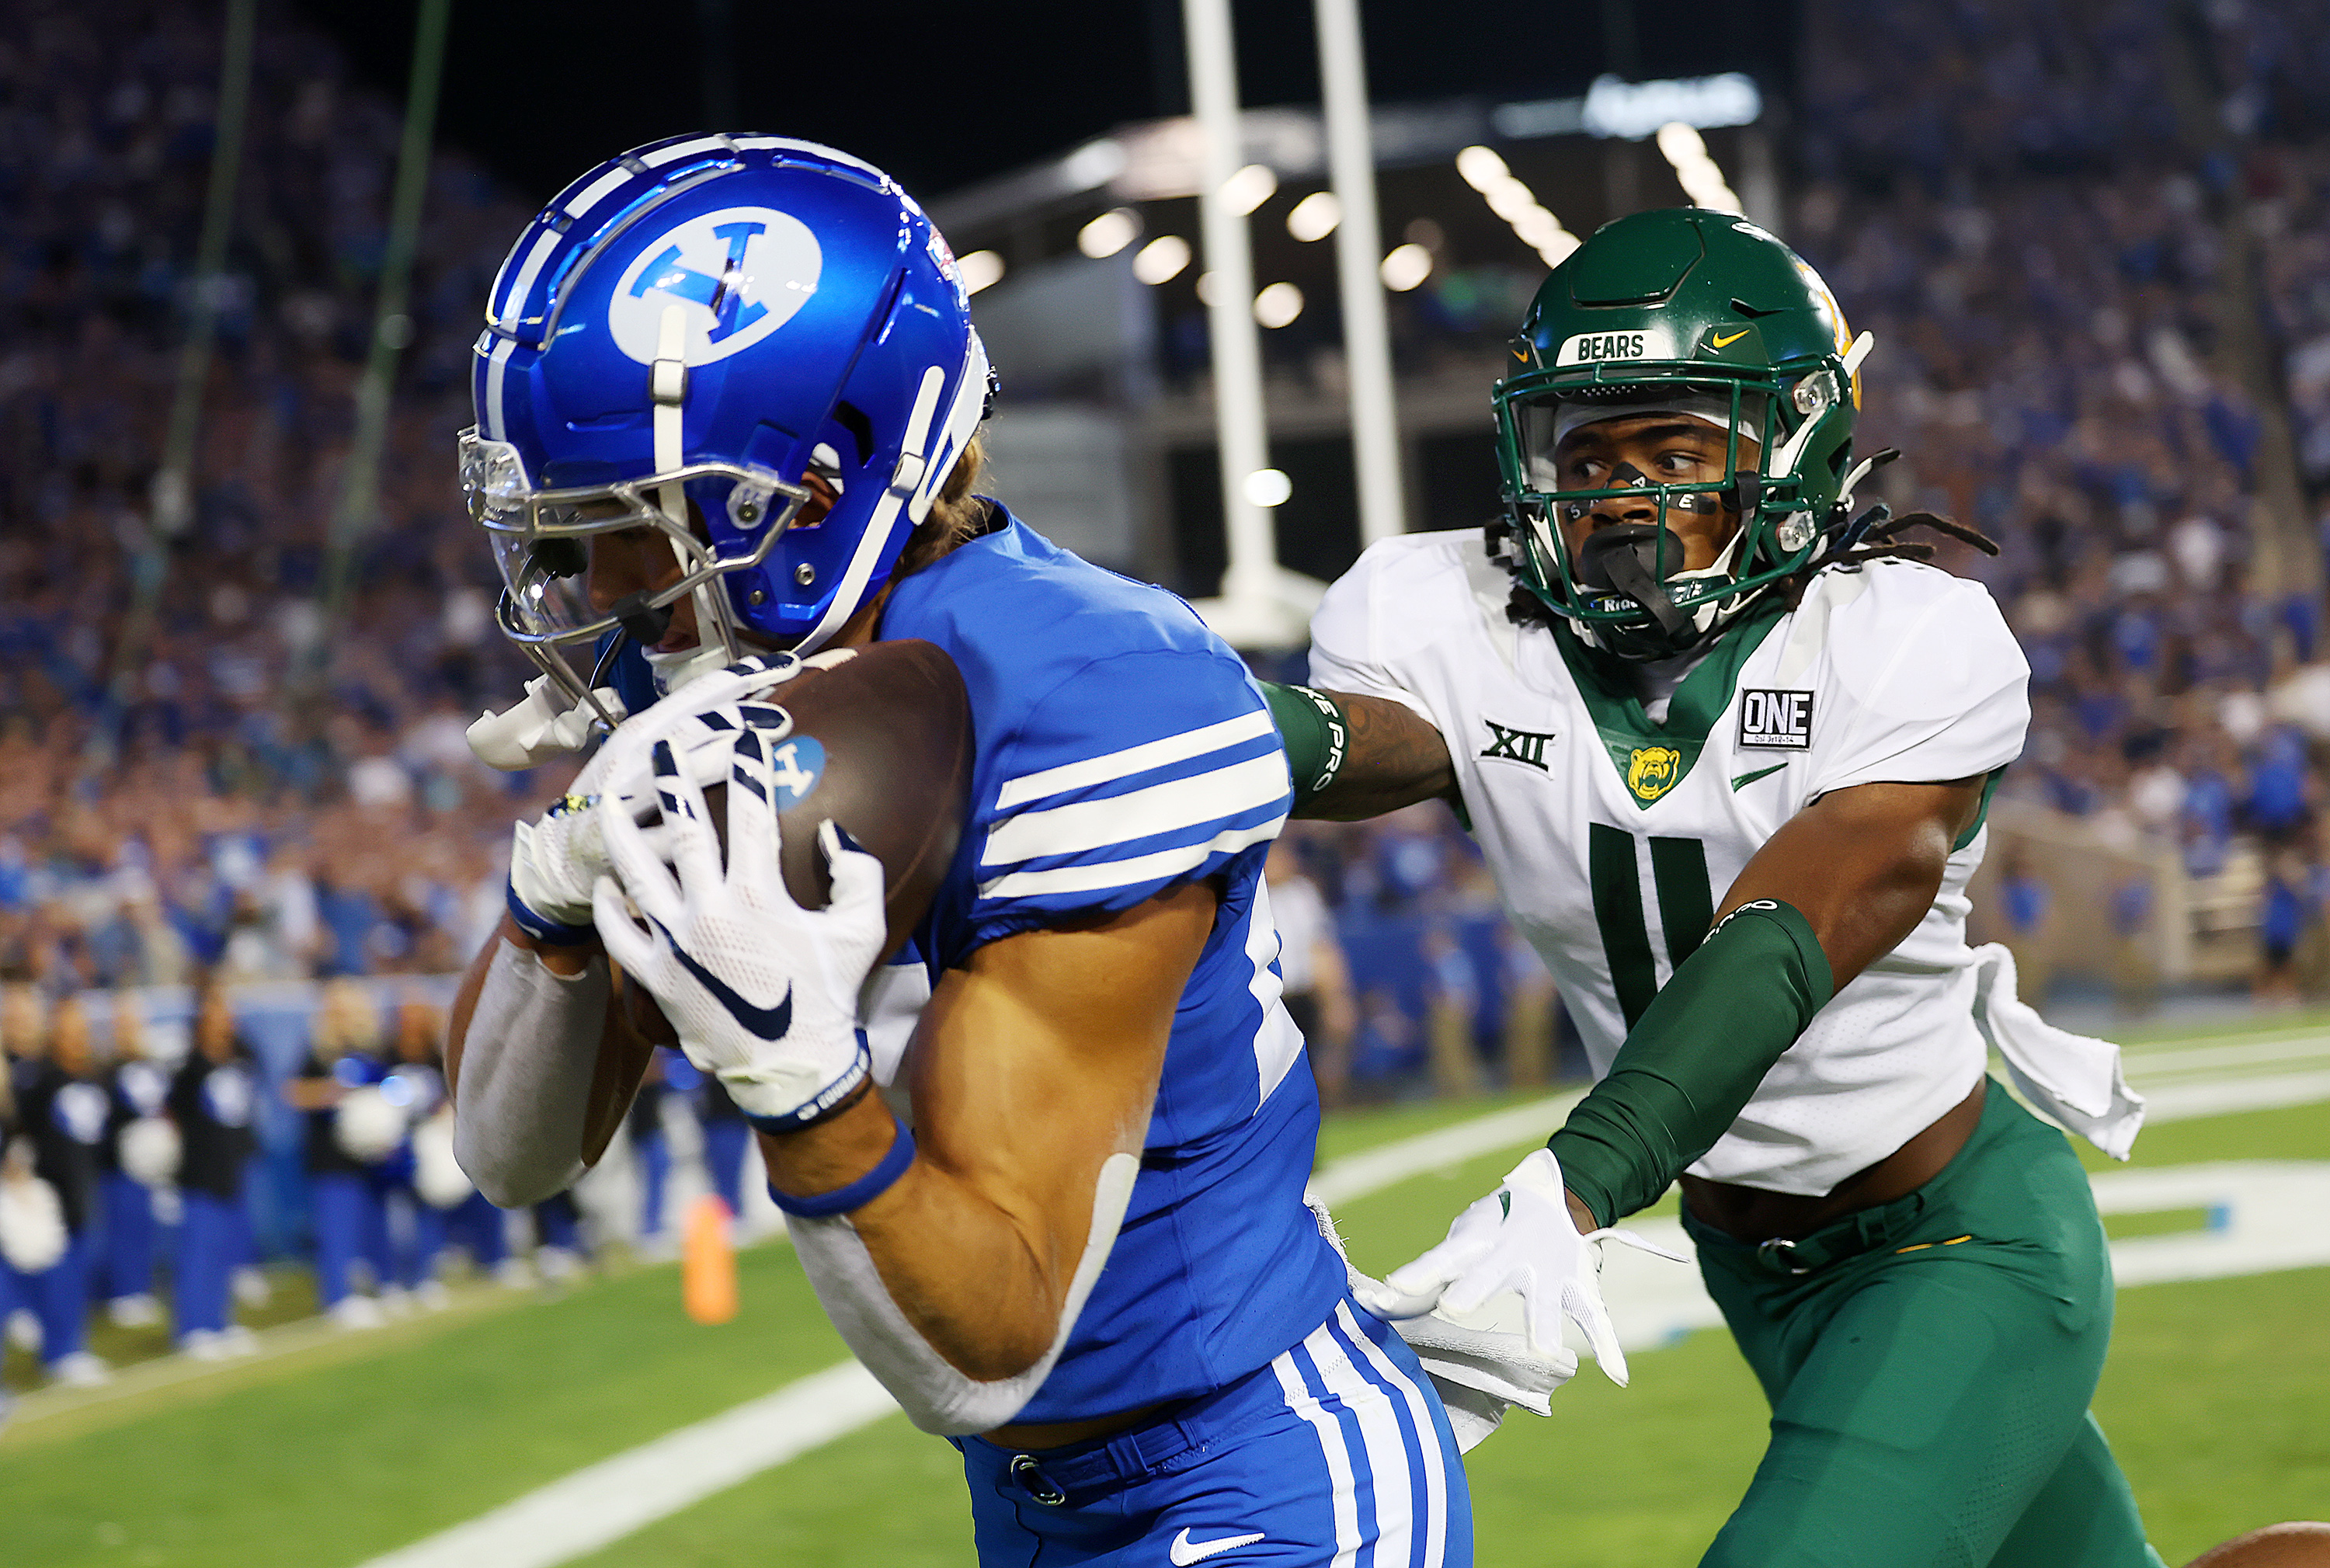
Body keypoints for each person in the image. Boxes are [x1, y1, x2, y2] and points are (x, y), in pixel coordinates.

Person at [447, 134, 1471, 1565]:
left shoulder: (1091, 689)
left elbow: (985, 1345)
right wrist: (552, 897)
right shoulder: (714, 660)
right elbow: (513, 1152)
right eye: (575, 534)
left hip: (1250, 1468)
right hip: (1026, 1509)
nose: (604, 591)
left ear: (809, 494)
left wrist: (797, 1075)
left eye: (635, 528)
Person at [1265, 208, 2162, 1566]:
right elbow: (1359, 747)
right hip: (1755, 1264)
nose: (1619, 495)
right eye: (1588, 450)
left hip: (1959, 1233)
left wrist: (1575, 1182)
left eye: (1674, 448)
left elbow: (1775, 945)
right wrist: (1124, 715)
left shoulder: (1909, 637)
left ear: (1791, 450)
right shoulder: (1436, 612)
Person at [7, 994, 112, 1385]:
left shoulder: (88, 1075)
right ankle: (60, 1352)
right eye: (70, 1028)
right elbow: (22, 1134)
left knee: (78, 1269)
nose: (78, 1036)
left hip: (83, 1183)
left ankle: (72, 1346)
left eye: (83, 1028)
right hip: (53, 1189)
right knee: (58, 1273)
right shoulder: (43, 1077)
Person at [169, 984, 261, 1357]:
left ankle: (219, 1323)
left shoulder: (240, 1057)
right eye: (216, 1012)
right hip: (199, 1172)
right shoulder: (191, 1068)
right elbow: (173, 1113)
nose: (225, 1019)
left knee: (224, 1251)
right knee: (198, 1251)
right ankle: (193, 1328)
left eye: (228, 1011)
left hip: (233, 1170)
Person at [98, 993, 172, 1327]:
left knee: (145, 1226)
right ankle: (124, 1294)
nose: (129, 1028)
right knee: (123, 1228)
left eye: (134, 1022)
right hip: (118, 1163)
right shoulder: (106, 1068)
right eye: (123, 1023)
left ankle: (141, 1288)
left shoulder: (152, 1065)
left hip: (151, 1163)